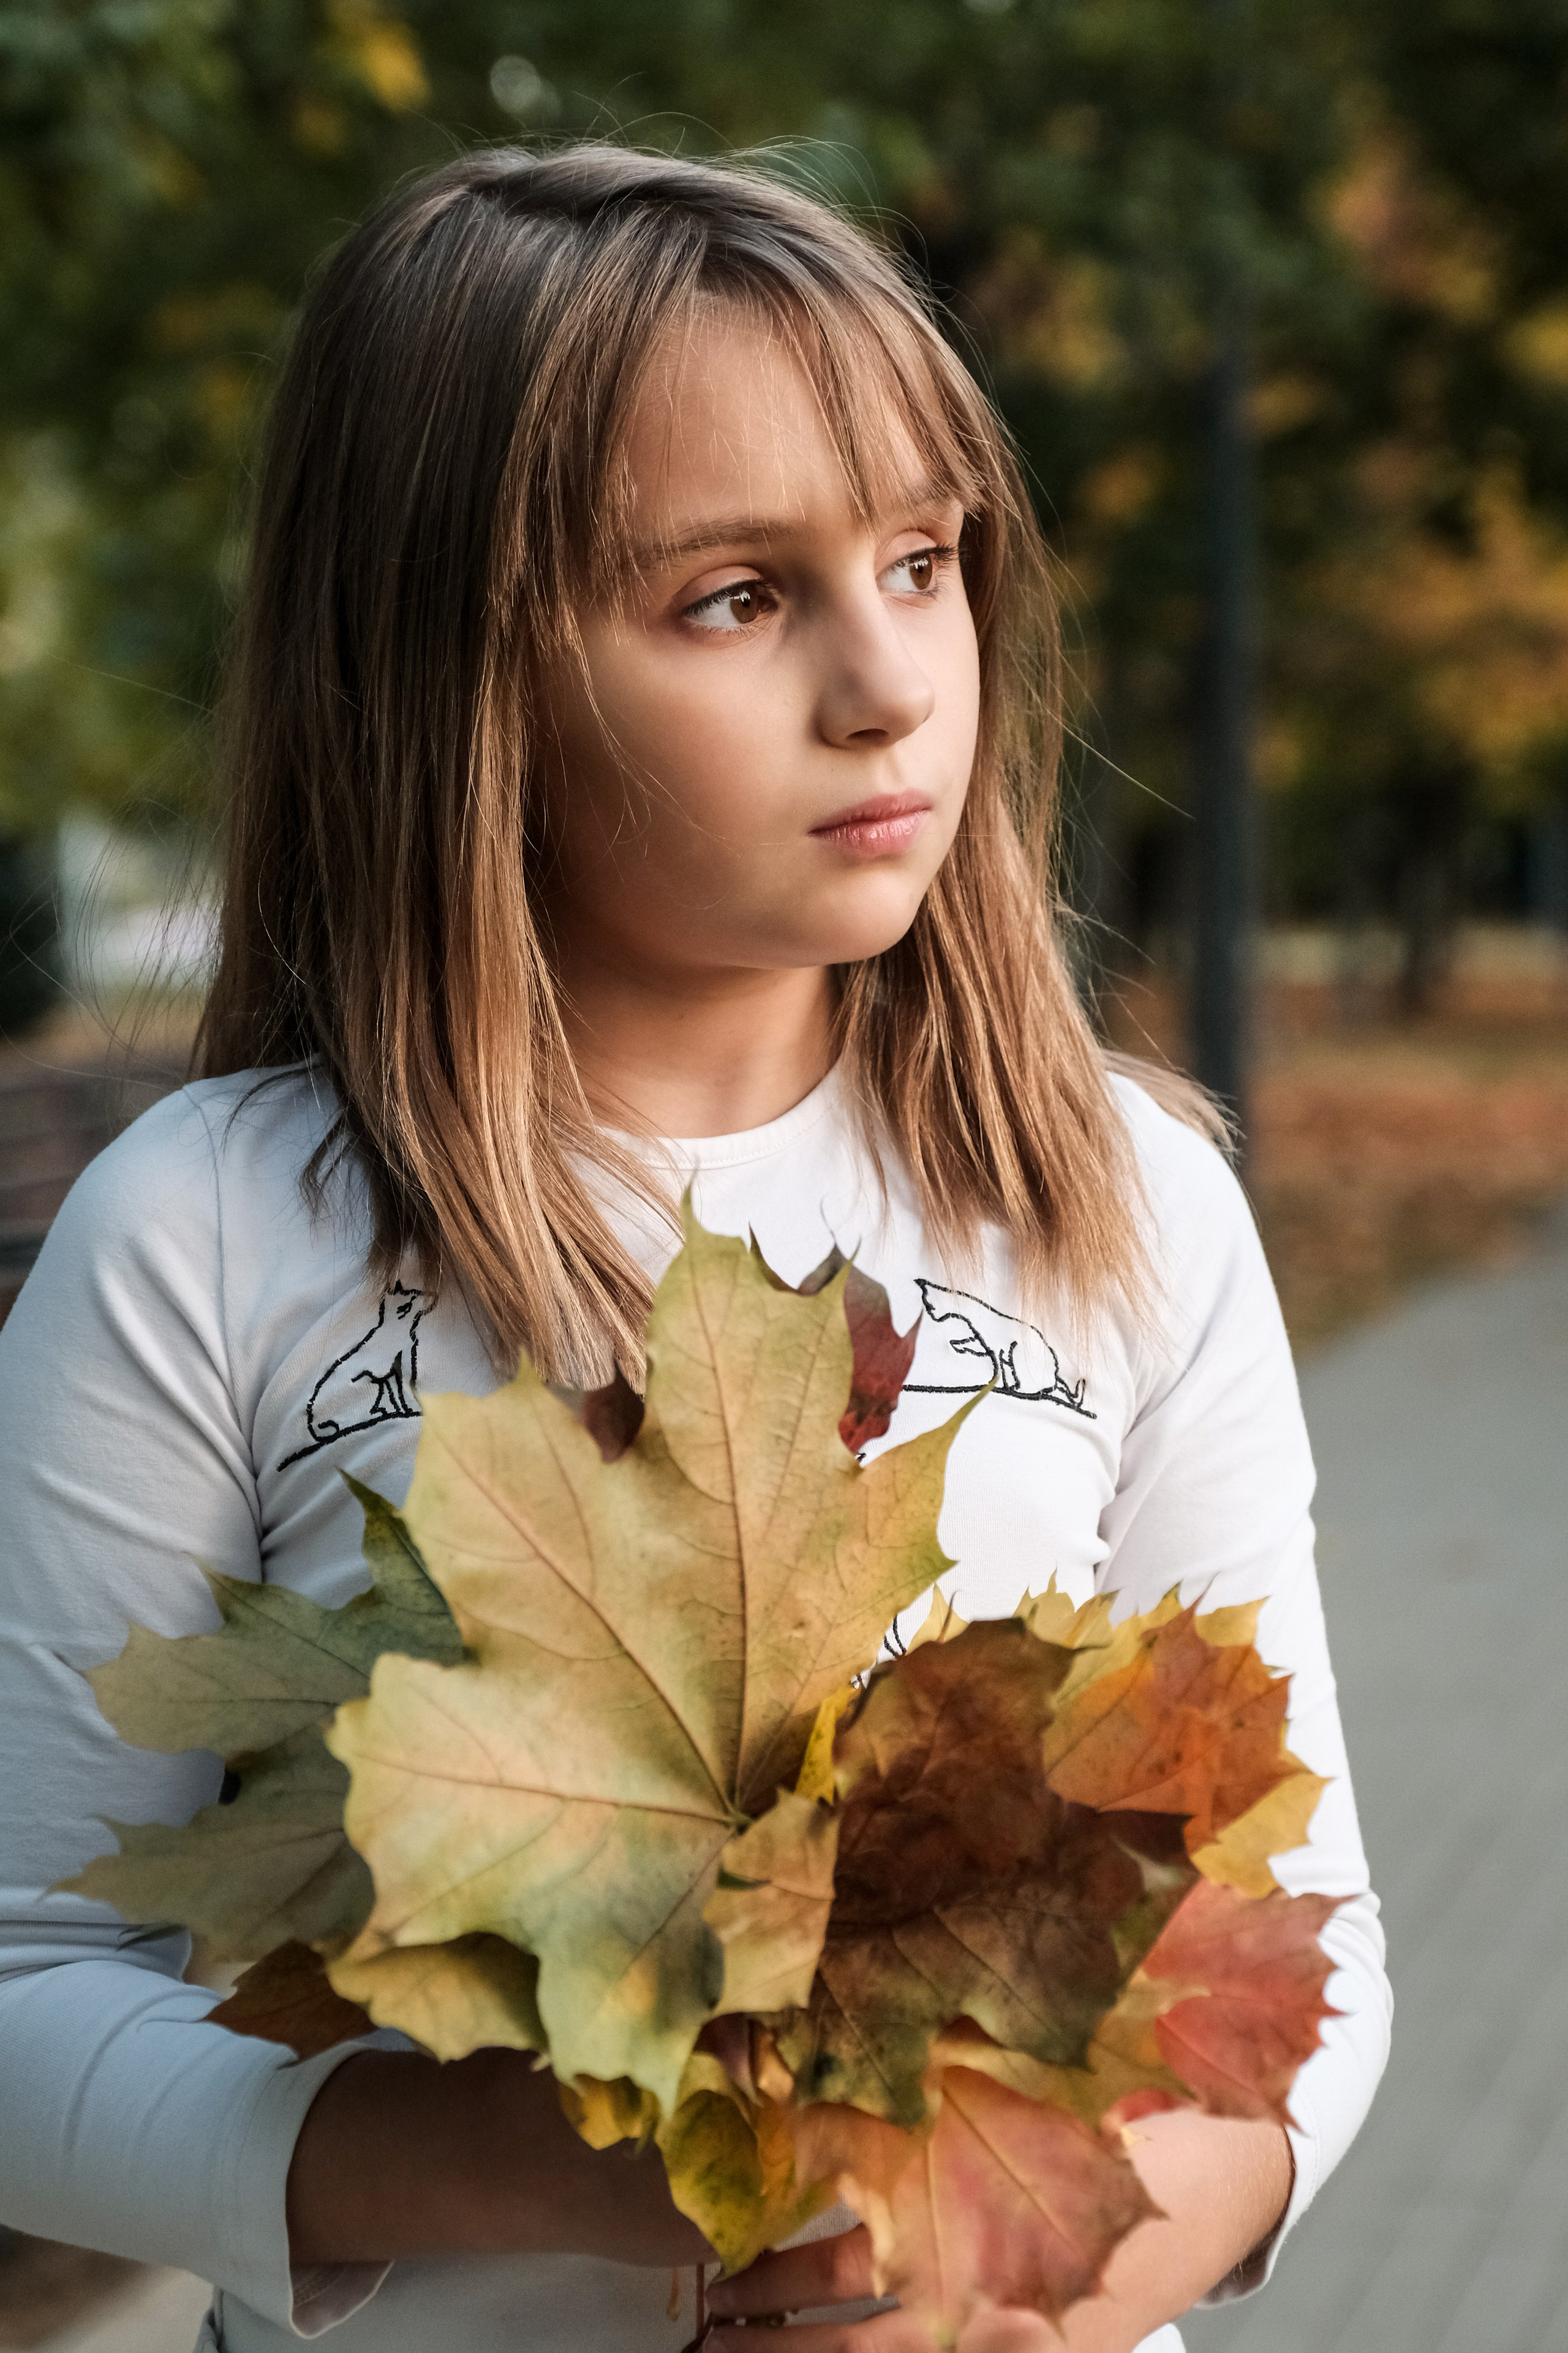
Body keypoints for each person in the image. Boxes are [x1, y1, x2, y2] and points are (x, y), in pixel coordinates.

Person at [0, 145, 1389, 2353]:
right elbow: (24, 1995)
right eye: (736, 597)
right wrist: (580, 2162)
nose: (887, 683)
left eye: (923, 560)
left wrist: (997, 2285)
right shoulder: (218, 1238)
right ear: (461, 669)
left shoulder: (1118, 1205)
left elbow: (1296, 1954)